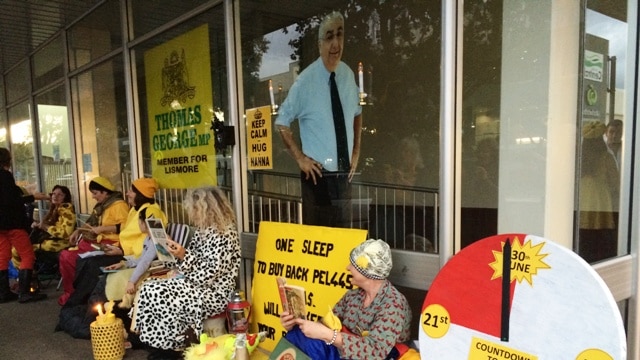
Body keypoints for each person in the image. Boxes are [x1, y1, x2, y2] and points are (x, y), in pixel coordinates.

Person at [275, 11, 363, 228]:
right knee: (321, 243)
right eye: (329, 36)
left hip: (344, 175)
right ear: (319, 44)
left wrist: (356, 151)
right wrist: (300, 159)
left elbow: (358, 113)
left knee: (345, 239)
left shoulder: (347, 75)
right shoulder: (305, 81)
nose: (335, 43)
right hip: (318, 176)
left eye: (339, 35)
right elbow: (282, 122)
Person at [132, 186, 241, 359]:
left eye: (194, 210)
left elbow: (208, 275)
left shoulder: (225, 235)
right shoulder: (203, 231)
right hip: (195, 283)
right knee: (148, 288)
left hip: (214, 293)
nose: (192, 214)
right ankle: (158, 343)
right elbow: (188, 262)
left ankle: (171, 348)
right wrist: (172, 251)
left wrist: (183, 255)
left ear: (206, 209)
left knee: (160, 292)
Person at [280, 239, 412, 359]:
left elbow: (376, 351)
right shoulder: (352, 296)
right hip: (345, 353)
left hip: (379, 357)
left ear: (368, 272)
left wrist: (328, 335)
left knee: (314, 345)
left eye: (353, 265)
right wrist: (295, 325)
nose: (348, 268)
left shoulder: (393, 304)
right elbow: (327, 326)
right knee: (301, 336)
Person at [63, 177, 166, 308]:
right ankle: (80, 301)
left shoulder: (151, 211)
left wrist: (122, 253)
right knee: (85, 262)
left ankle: (81, 304)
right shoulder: (136, 209)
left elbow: (152, 245)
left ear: (140, 194)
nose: (127, 193)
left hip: (134, 257)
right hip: (125, 253)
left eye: (131, 191)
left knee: (92, 266)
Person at [57, 176, 129, 306]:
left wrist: (102, 228)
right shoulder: (102, 206)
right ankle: (74, 292)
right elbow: (91, 222)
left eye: (95, 193)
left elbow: (125, 226)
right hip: (99, 242)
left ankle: (77, 293)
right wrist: (78, 231)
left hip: (112, 244)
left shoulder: (119, 205)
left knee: (68, 257)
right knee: (66, 255)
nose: (93, 197)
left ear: (105, 192)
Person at [0, 147, 50, 303]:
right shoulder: (5, 176)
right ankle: (24, 292)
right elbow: (11, 201)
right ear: (7, 160)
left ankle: (3, 293)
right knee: (27, 254)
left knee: (2, 256)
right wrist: (33, 197)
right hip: (12, 223)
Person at [578, 121, 619, 263]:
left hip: (582, 201)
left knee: (583, 237)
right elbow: (616, 183)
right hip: (600, 202)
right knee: (599, 238)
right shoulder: (606, 157)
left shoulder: (579, 158)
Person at [11, 185, 76, 271]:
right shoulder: (55, 209)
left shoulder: (66, 210)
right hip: (49, 242)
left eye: (60, 195)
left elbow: (65, 233)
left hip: (57, 245)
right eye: (53, 194)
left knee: (17, 251)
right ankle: (29, 277)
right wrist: (39, 225)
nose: (55, 196)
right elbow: (52, 226)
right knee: (16, 250)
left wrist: (46, 227)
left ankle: (28, 278)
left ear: (65, 197)